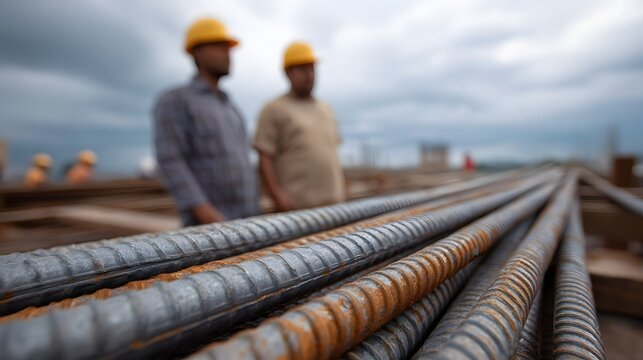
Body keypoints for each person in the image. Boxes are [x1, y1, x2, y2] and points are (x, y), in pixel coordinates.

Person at [153, 17, 260, 226]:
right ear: (197, 52)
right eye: (219, 47)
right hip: (209, 232)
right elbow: (170, 160)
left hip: (247, 222)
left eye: (228, 48)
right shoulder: (176, 101)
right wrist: (207, 215)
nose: (228, 54)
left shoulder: (231, 108)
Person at [254, 42, 345, 211]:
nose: (309, 75)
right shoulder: (274, 109)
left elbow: (333, 156)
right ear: (288, 73)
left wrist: (341, 189)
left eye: (311, 69)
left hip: (333, 207)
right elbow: (265, 157)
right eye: (302, 69)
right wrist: (278, 197)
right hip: (298, 211)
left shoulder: (325, 109)